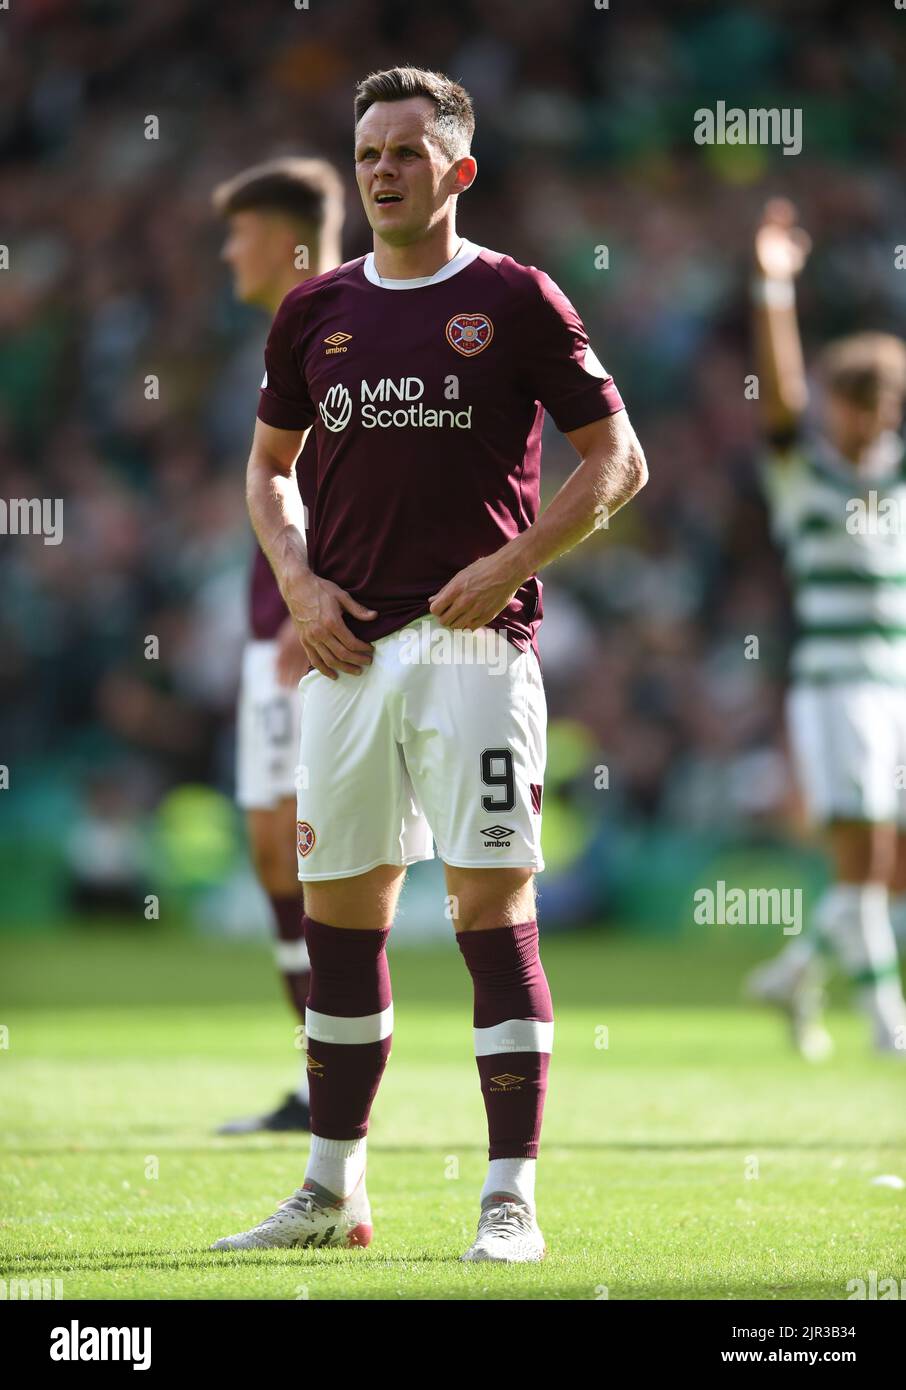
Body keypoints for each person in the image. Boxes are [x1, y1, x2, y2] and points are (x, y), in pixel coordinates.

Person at [212, 65, 646, 1263]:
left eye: (408, 151)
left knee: (490, 912)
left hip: (472, 650)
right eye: (369, 155)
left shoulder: (516, 298)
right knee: (340, 921)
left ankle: (510, 1198)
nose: (385, 170)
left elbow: (618, 463)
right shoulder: (313, 309)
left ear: (458, 169)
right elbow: (265, 469)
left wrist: (514, 563)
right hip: (343, 659)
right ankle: (330, 1192)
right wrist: (297, 582)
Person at [745, 199, 906, 1059]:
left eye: (877, 403)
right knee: (866, 853)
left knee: (892, 869)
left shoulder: (901, 479)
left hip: (898, 682)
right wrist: (774, 288)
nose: (863, 418)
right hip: (837, 688)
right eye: (851, 401)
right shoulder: (802, 476)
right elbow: (779, 401)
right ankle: (888, 1028)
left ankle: (799, 971)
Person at [212, 157, 344, 1131]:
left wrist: (311, 606)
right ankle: (314, 1076)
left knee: (316, 850)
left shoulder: (343, 326)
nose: (228, 249)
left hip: (316, 627)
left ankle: (339, 1081)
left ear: (292, 234)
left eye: (242, 229)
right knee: (273, 851)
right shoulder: (283, 333)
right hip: (275, 625)